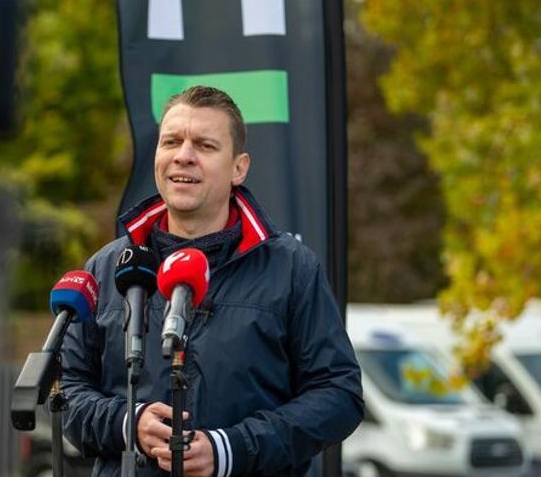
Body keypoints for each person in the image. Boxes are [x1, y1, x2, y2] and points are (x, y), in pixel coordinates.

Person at [60, 85, 363, 476]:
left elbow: (339, 395)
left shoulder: (292, 268)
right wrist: (128, 423)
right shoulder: (108, 267)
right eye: (171, 142)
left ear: (239, 168)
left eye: (204, 145)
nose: (183, 156)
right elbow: (67, 389)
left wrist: (231, 449)